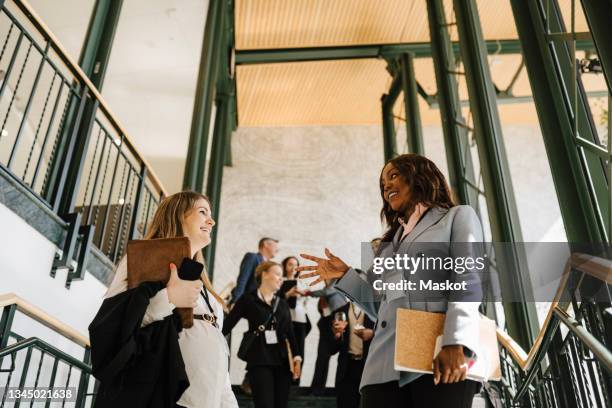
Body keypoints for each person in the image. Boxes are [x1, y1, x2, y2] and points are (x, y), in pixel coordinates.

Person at [297, 154, 483, 408]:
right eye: (383, 182)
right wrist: (345, 276)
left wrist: (456, 342)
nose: (386, 186)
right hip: (382, 366)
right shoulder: (388, 245)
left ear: (420, 176)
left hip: (438, 354)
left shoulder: (456, 217)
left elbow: (467, 280)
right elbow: (381, 306)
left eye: (393, 175)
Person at [90, 191, 238, 408]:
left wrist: (228, 402)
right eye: (202, 212)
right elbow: (115, 326)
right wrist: (169, 298)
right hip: (166, 396)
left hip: (207, 399)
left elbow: (217, 358)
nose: (211, 221)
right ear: (179, 215)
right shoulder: (141, 261)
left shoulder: (207, 291)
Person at [223, 261, 302, 408]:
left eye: (282, 276)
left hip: (283, 362)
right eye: (278, 274)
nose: (281, 279)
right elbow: (227, 326)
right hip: (259, 359)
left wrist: (297, 357)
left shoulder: (282, 303)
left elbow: (290, 332)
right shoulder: (248, 299)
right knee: (264, 405)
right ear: (264, 274)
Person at [331, 302, 375, 408]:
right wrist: (337, 335)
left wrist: (373, 333)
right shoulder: (340, 312)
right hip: (346, 368)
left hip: (368, 368)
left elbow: (387, 333)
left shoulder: (376, 310)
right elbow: (331, 349)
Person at [308, 280, 348, 396]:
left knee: (342, 358)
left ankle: (336, 390)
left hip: (341, 324)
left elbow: (324, 292)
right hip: (327, 326)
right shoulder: (326, 295)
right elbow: (323, 310)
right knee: (322, 358)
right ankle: (317, 389)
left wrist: (307, 293)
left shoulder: (335, 286)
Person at [279, 256, 311, 383]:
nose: (292, 267)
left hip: (300, 319)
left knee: (299, 351)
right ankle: (284, 379)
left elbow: (305, 304)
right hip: (285, 319)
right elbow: (275, 300)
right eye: (289, 264)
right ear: (285, 266)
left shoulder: (302, 282)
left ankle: (296, 381)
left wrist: (304, 294)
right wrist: (288, 294)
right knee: (285, 350)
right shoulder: (280, 281)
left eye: (295, 265)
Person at [231, 237, 279, 305]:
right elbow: (242, 280)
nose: (277, 250)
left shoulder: (271, 266)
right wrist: (236, 302)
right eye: (275, 246)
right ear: (265, 244)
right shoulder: (253, 257)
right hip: (247, 302)